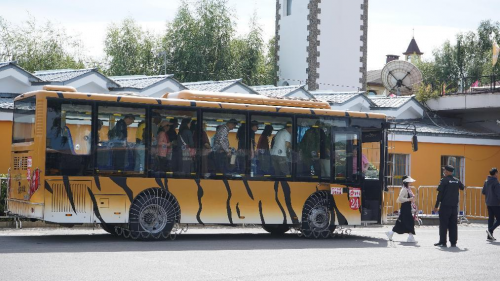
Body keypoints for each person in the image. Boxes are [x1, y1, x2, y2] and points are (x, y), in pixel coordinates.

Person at [433, 165, 465, 247]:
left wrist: (436, 206)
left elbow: (440, 195)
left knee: (443, 224)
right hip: (454, 206)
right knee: (453, 224)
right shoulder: (457, 180)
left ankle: (443, 242)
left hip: (445, 206)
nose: (444, 172)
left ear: (447, 172)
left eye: (444, 171)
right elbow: (462, 187)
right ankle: (453, 242)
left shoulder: (444, 180)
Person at [386, 176, 417, 243]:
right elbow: (400, 198)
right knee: (410, 221)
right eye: (409, 181)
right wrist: (409, 199)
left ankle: (391, 233)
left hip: (407, 207)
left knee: (402, 222)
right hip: (405, 207)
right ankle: (410, 236)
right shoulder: (404, 189)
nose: (410, 182)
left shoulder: (408, 189)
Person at [482, 167, 500, 241]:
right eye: (497, 173)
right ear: (495, 173)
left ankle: (489, 236)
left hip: (488, 202)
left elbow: (483, 192)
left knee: (491, 219)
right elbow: (498, 194)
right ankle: (490, 230)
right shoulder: (496, 182)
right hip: (496, 203)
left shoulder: (486, 181)